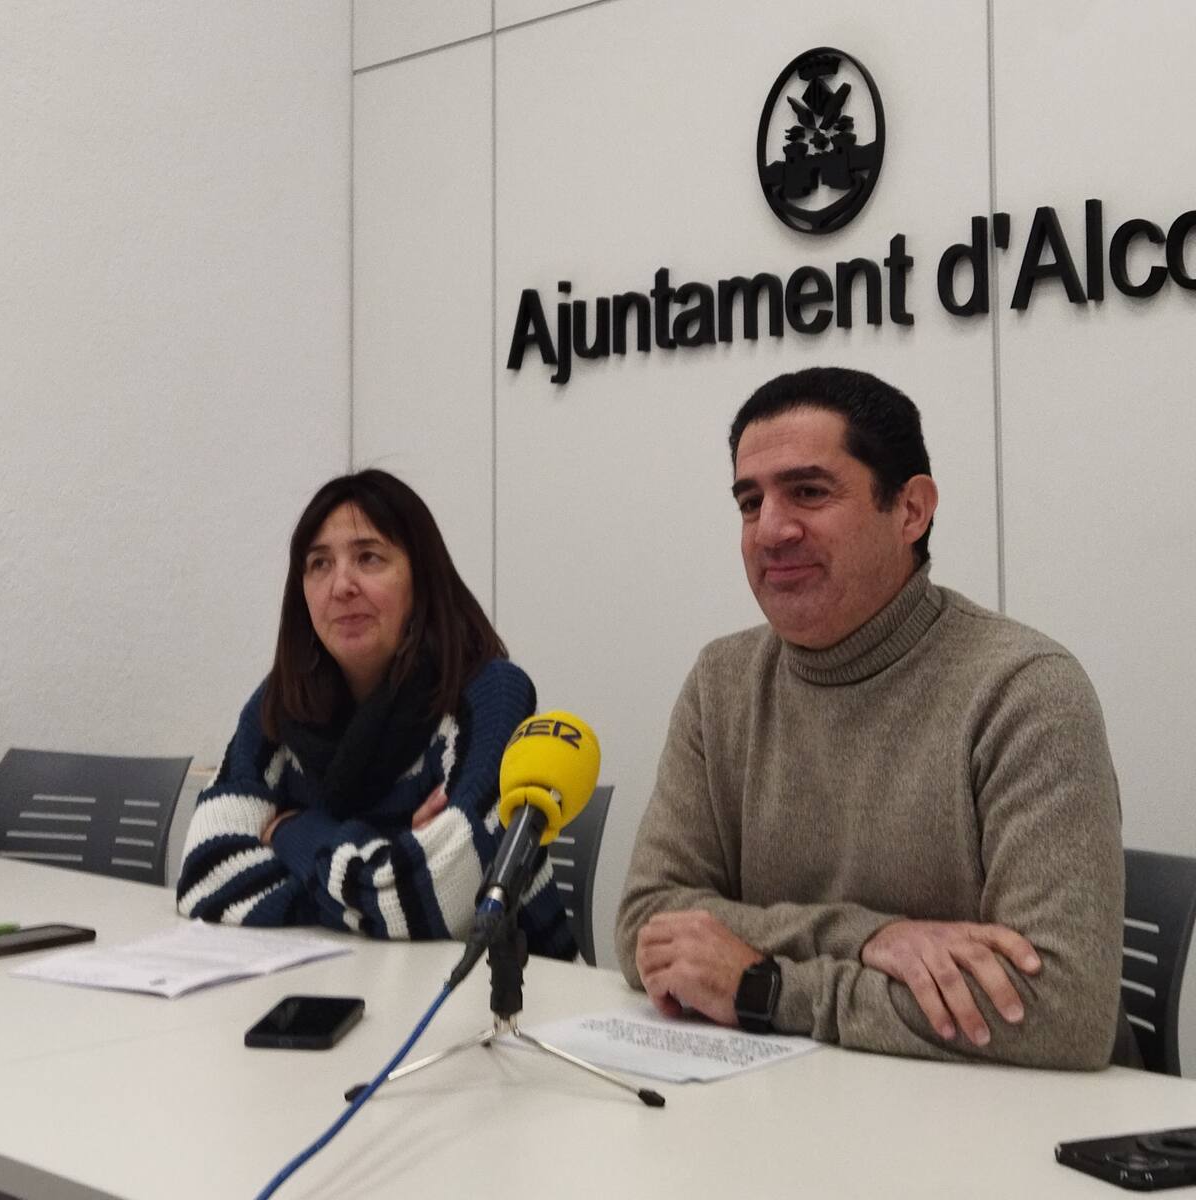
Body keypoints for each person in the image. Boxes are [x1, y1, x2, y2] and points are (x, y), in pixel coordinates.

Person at [615, 367, 1130, 1068]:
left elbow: (1062, 1011)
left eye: (808, 492)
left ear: (911, 510)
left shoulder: (1024, 691)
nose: (770, 530)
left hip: (1009, 1118)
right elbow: (650, 925)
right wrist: (867, 938)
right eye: (749, 502)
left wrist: (766, 987)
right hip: (791, 1104)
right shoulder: (722, 682)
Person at [177, 469, 576, 960]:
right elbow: (204, 874)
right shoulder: (280, 706)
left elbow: (443, 897)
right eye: (319, 564)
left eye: (369, 558)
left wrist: (292, 832)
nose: (341, 585)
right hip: (343, 972)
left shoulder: (490, 695)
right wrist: (390, 856)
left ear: (421, 579)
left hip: (512, 987)